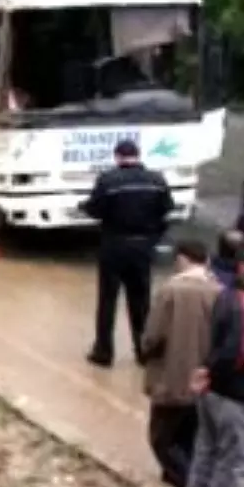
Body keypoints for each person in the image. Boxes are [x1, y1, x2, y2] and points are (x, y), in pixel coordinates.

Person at [80, 139, 174, 368]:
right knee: (141, 301)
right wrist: (152, 239)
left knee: (107, 300)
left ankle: (104, 352)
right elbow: (167, 213)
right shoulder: (157, 180)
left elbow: (95, 210)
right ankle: (143, 352)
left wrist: (83, 206)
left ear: (118, 157)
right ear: (138, 155)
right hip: (142, 248)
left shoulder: (108, 180)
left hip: (114, 246)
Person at [140, 239, 222, 487]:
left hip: (171, 377)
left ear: (182, 259)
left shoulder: (170, 290)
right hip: (204, 380)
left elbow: (153, 335)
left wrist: (145, 351)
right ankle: (182, 481)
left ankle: (187, 486)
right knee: (190, 437)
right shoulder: (218, 291)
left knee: (160, 438)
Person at [182, 258, 244, 487]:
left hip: (211, 388)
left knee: (206, 448)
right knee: (232, 457)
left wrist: (206, 372)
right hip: (233, 391)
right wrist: (215, 373)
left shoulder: (226, 296)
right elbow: (237, 352)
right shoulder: (243, 307)